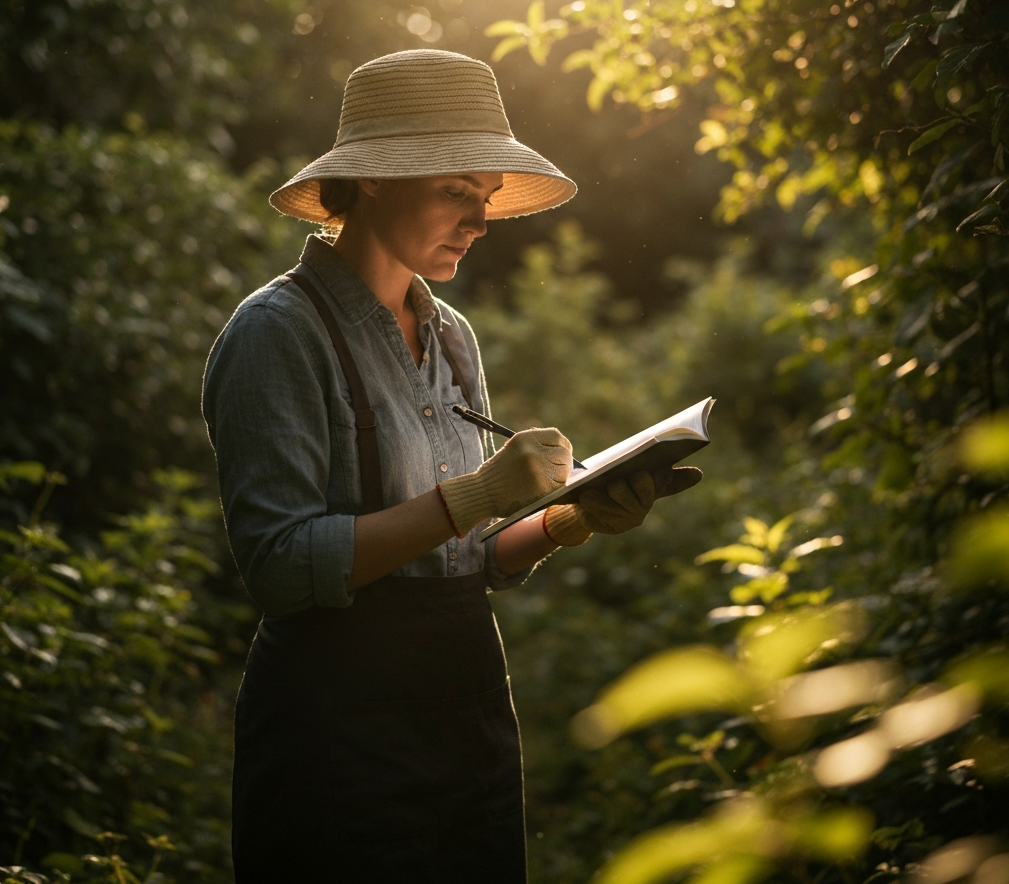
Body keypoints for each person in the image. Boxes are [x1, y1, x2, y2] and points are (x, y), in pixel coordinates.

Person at [202, 49, 701, 883]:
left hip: (466, 715)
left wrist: (562, 521)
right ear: (371, 181)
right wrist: (481, 492)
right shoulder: (276, 334)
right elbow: (281, 570)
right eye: (454, 193)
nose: (478, 220)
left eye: (484, 198)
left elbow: (464, 560)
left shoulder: (453, 337)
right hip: (337, 741)